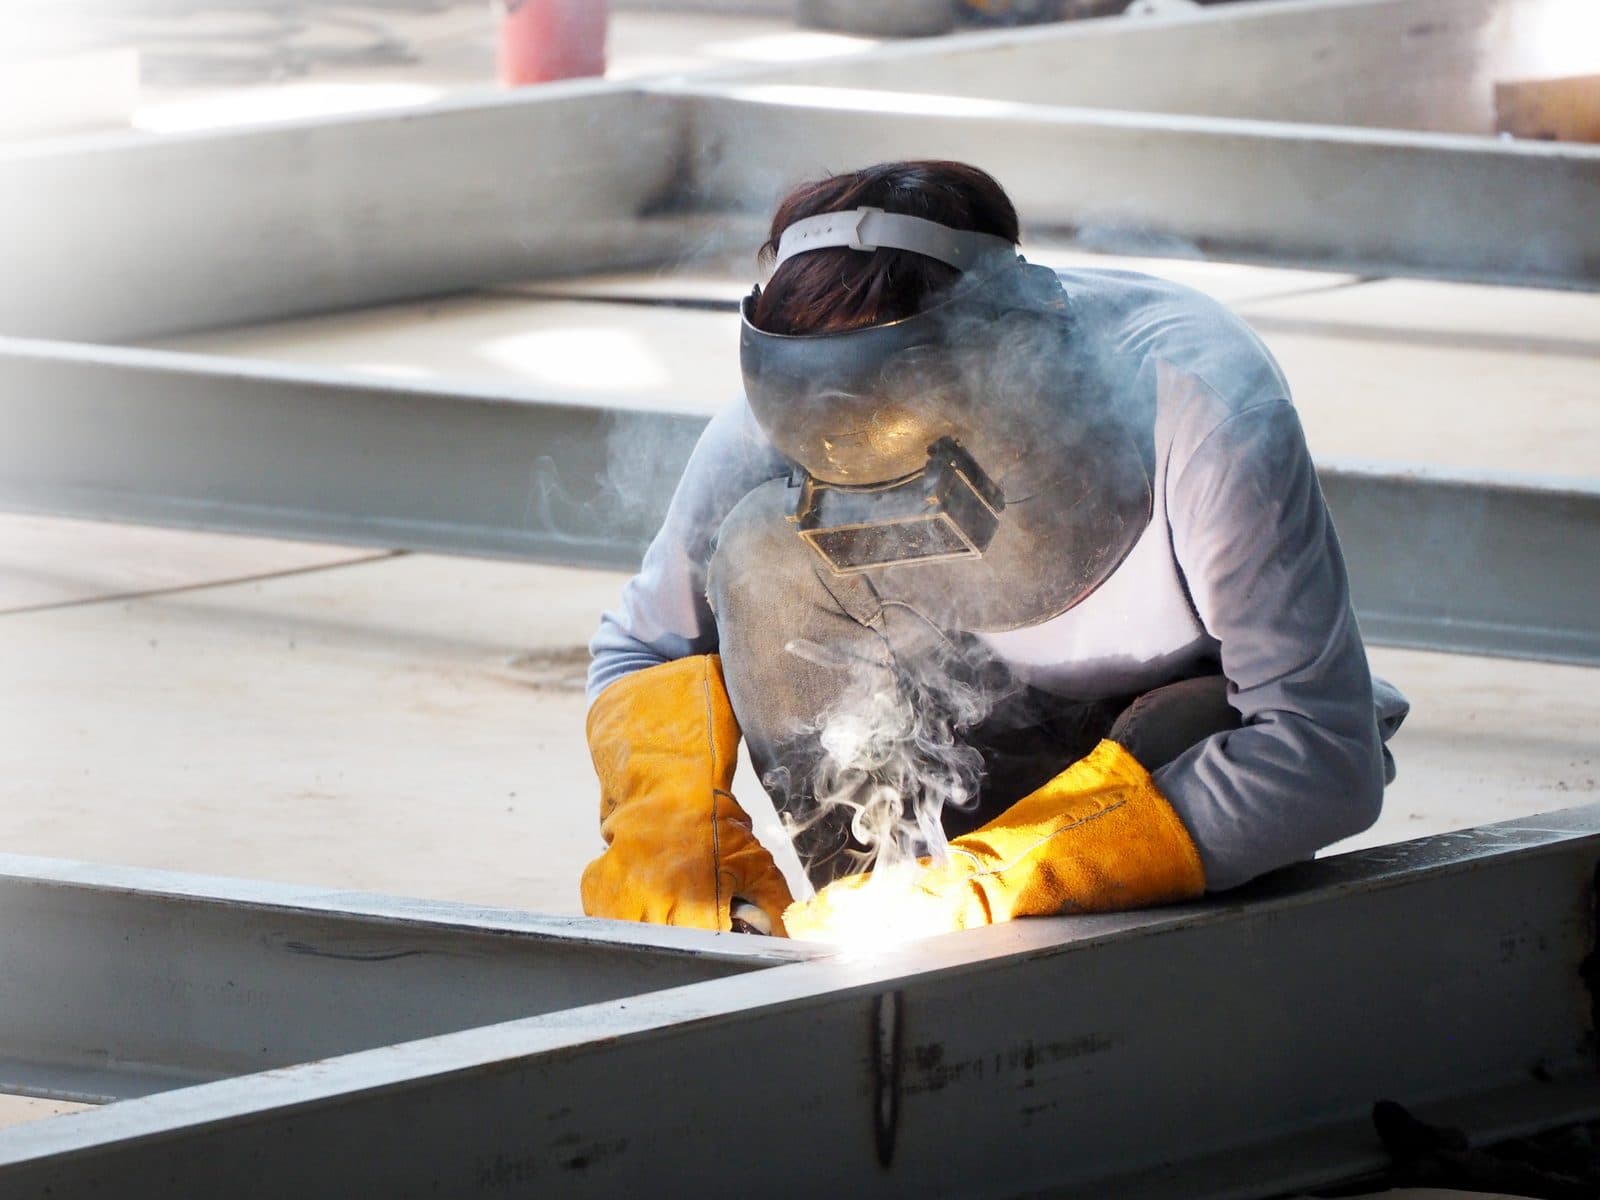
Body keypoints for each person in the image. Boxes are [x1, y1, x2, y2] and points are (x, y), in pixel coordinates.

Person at [580, 160, 1408, 940]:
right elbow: (644, 651)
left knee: (1179, 723)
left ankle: (991, 910)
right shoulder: (785, 420)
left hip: (1165, 762)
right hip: (961, 755)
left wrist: (993, 883)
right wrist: (676, 833)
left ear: (1022, 354)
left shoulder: (1199, 405)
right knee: (763, 554)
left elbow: (1325, 754)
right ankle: (872, 906)